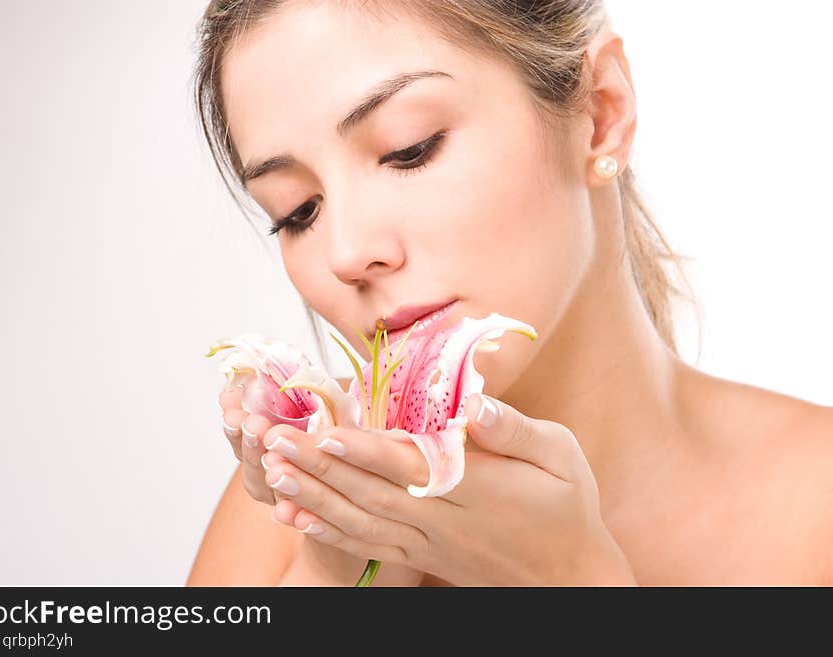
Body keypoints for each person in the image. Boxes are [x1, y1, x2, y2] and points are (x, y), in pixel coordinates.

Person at [186, 0, 833, 586]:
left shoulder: (815, 510)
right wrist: (337, 583)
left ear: (602, 111)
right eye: (297, 210)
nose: (346, 252)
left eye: (409, 150)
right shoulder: (286, 518)